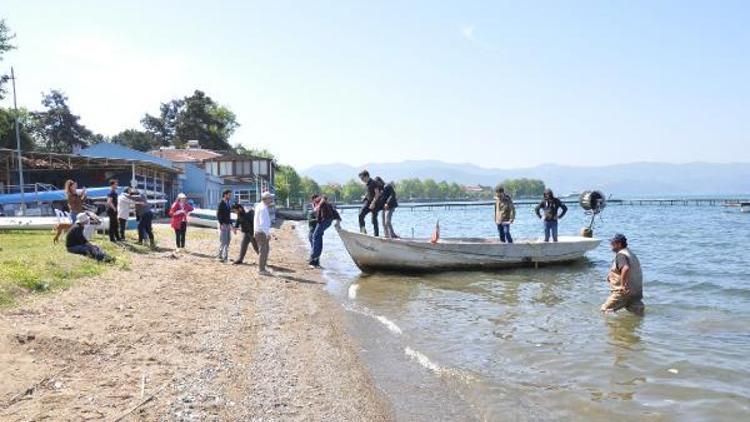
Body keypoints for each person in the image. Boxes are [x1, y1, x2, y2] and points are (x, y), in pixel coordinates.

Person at [601, 234, 644, 315]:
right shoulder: (630, 253)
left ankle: (615, 326)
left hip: (623, 293)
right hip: (635, 292)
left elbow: (625, 268)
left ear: (619, 244)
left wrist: (622, 285)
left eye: (612, 243)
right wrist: (610, 276)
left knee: (605, 310)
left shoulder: (621, 255)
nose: (611, 245)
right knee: (637, 314)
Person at [309, 195, 341, 268]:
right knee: (318, 237)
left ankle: (313, 258)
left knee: (315, 236)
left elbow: (324, 198)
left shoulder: (320, 201)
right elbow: (335, 212)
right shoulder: (326, 205)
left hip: (325, 220)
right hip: (327, 220)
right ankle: (316, 260)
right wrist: (338, 222)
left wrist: (319, 204)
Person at [357, 170, 383, 236]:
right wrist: (365, 196)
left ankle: (376, 235)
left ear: (367, 176)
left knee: (374, 220)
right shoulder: (367, 184)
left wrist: (373, 203)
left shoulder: (373, 183)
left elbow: (377, 194)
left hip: (375, 204)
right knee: (360, 215)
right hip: (368, 202)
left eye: (362, 178)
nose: (362, 180)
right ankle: (363, 231)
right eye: (361, 179)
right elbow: (369, 192)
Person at [254, 191, 274, 275]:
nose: (271, 199)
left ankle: (263, 267)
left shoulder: (261, 206)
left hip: (261, 232)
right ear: (266, 199)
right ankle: (261, 269)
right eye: (270, 198)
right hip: (261, 233)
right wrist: (267, 234)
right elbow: (262, 223)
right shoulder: (262, 208)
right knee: (263, 251)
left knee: (265, 250)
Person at [217, 189, 233, 263]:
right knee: (223, 240)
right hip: (223, 224)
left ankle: (226, 256)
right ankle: (220, 255)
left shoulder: (228, 203)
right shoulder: (221, 203)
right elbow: (218, 215)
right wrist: (221, 224)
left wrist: (231, 224)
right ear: (225, 195)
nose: (230, 196)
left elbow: (229, 215)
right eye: (229, 195)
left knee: (228, 240)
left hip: (227, 224)